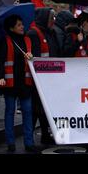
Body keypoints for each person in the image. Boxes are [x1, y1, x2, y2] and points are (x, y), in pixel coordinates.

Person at [0, 15, 39, 153]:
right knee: (10, 112)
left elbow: (34, 59)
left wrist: (32, 57)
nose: (22, 27)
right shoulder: (5, 40)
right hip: (10, 84)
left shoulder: (27, 40)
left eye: (22, 24)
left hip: (25, 83)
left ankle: (29, 143)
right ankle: (10, 143)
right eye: (19, 25)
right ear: (11, 27)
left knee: (27, 112)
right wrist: (0, 77)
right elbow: (0, 61)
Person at [27, 8, 59, 145]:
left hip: (49, 79)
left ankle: (45, 135)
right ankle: (28, 139)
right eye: (51, 18)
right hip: (37, 80)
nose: (53, 21)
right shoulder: (33, 34)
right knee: (35, 109)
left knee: (45, 109)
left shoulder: (52, 33)